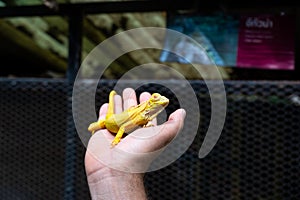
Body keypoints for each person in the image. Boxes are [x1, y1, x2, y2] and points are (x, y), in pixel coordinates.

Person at [85, 88, 186, 200]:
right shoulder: (139, 116)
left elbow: (140, 121)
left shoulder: (142, 116)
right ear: (149, 104)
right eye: (156, 98)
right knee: (92, 127)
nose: (161, 100)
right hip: (109, 122)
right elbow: (123, 127)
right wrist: (117, 140)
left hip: (120, 120)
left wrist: (115, 173)